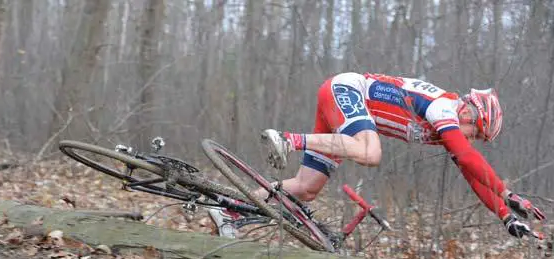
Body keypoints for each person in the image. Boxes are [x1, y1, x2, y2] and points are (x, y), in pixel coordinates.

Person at [209, 72, 545, 239]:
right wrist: (508, 193)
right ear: (474, 115)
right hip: (347, 90)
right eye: (478, 133)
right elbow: (471, 160)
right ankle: (287, 141)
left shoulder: (449, 125)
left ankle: (229, 209)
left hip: (345, 105)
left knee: (306, 186)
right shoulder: (446, 108)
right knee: (371, 152)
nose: (473, 139)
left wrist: (505, 215)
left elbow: (472, 173)